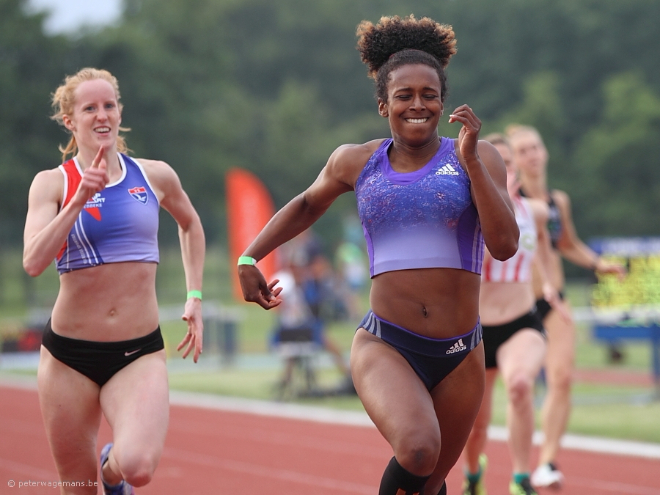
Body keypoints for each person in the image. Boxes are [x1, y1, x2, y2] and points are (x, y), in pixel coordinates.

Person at [237, 15, 519, 495]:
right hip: (388, 345)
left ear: (444, 102)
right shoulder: (356, 161)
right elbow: (306, 205)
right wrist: (250, 258)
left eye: (429, 95)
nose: (418, 104)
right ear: (383, 104)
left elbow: (505, 245)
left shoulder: (478, 156)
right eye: (404, 95)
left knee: (428, 483)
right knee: (418, 449)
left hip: (460, 353)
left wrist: (471, 161)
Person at [23, 68, 205, 495]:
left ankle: (111, 473)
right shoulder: (52, 183)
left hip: (137, 351)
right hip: (68, 358)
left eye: (109, 105)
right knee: (77, 488)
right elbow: (33, 261)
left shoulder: (154, 176)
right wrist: (78, 202)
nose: (102, 115)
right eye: (90, 108)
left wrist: (194, 295)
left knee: (137, 466)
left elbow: (190, 225)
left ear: (120, 112)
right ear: (70, 120)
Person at [506, 124, 626, 489]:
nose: (531, 154)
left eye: (535, 147)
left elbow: (567, 243)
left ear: (545, 152)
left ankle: (547, 460)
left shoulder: (558, 202)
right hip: (518, 305)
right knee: (517, 386)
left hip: (554, 302)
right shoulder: (509, 200)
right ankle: (513, 464)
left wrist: (598, 263)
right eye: (523, 150)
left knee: (561, 378)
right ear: (513, 160)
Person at [461, 134, 568, 495]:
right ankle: (473, 473)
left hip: (520, 321)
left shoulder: (535, 211)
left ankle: (521, 477)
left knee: (521, 385)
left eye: (508, 162)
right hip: (476, 329)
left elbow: (544, 250)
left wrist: (551, 287)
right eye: (496, 162)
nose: (505, 169)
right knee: (476, 425)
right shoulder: (466, 211)